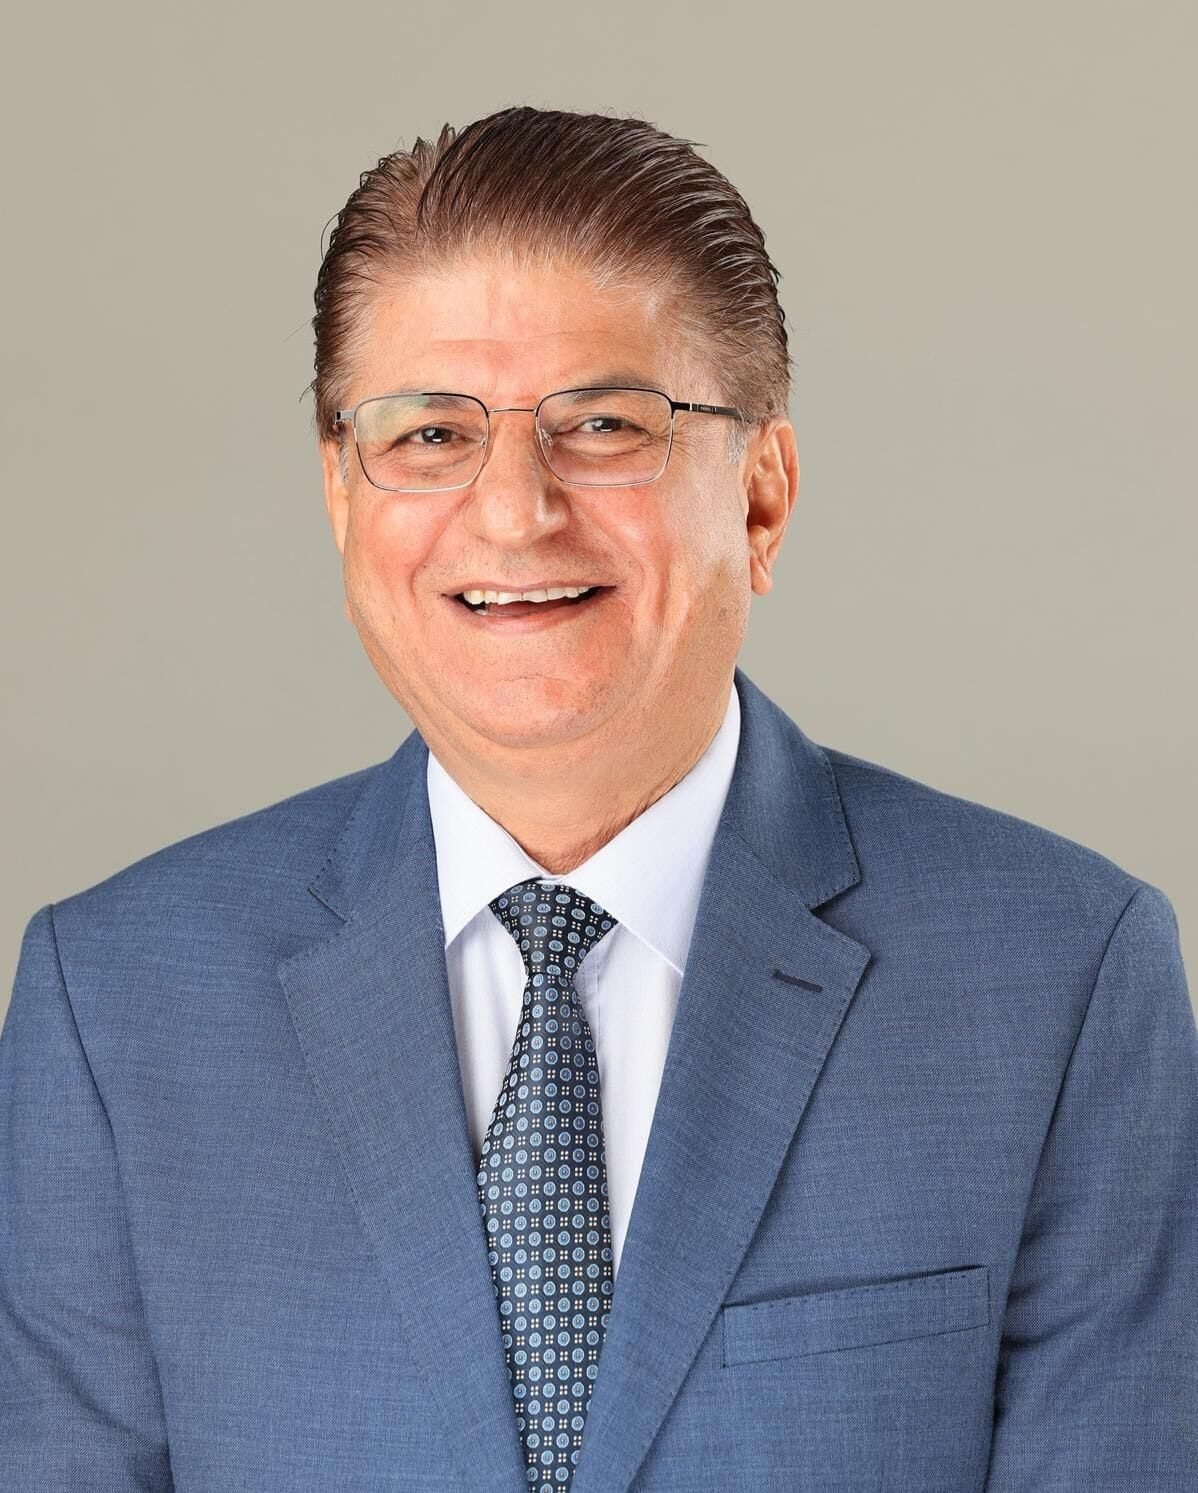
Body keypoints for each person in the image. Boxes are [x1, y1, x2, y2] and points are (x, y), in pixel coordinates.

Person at [1, 105, 1194, 1493]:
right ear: (340, 495)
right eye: (430, 432)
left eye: (606, 425)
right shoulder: (115, 1004)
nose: (513, 512)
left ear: (761, 497)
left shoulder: (1058, 978)